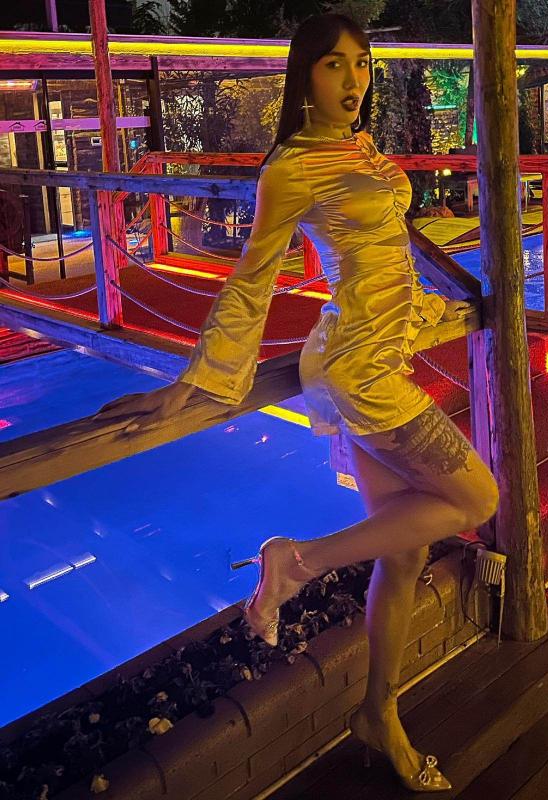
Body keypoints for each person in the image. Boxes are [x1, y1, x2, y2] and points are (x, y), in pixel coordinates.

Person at [94, 13, 498, 793]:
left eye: (362, 63)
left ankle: (379, 714)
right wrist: (191, 383)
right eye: (334, 64)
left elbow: (383, 252)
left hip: (378, 352)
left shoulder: (358, 147)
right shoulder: (294, 165)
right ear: (303, 74)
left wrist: (426, 309)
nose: (353, 79)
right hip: (361, 372)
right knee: (478, 497)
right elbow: (253, 277)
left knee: (404, 554)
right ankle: (295, 561)